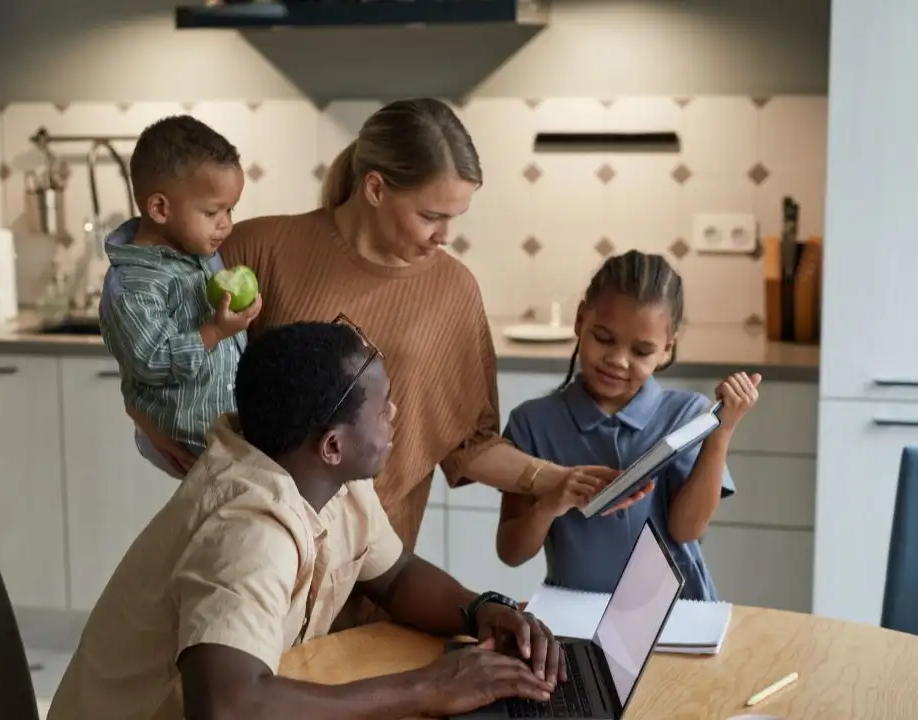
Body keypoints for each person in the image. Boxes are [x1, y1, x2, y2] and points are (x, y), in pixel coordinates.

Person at [128, 98, 636, 628]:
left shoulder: (453, 291)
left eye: (455, 218)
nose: (445, 236)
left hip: (377, 573)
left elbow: (467, 443)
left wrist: (556, 479)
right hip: (251, 552)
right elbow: (151, 338)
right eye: (430, 216)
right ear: (374, 188)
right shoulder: (259, 247)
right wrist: (139, 411)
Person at [47, 321, 567, 720]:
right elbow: (227, 706)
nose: (395, 414)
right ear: (333, 445)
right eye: (383, 408)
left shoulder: (328, 478)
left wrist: (479, 611)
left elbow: (396, 575)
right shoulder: (250, 531)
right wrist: (429, 686)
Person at [494, 250, 761, 601]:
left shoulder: (687, 415)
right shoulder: (532, 423)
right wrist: (551, 501)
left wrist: (721, 431)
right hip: (577, 617)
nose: (618, 361)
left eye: (642, 351)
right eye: (604, 339)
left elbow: (687, 530)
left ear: (667, 350)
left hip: (678, 614)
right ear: (579, 320)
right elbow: (511, 552)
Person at [99, 115, 263, 478]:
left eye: (230, 210)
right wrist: (216, 332)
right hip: (192, 442)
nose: (226, 224)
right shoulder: (135, 286)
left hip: (225, 433)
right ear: (160, 209)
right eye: (212, 212)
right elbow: (153, 360)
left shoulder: (198, 249)